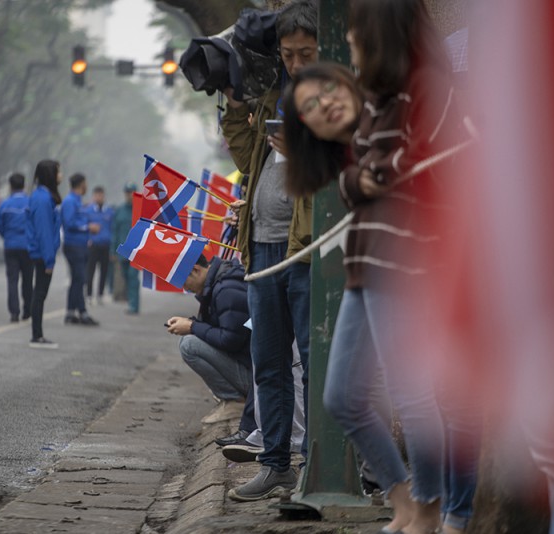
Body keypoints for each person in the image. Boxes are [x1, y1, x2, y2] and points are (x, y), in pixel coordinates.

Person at [282, 1, 469, 532]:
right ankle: (406, 495)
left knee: (411, 394)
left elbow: (427, 166)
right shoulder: (379, 103)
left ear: (383, 34)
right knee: (341, 395)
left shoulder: (426, 89)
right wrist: (361, 181)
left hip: (404, 262)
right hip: (365, 265)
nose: (353, 48)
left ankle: (430, 507)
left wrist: (378, 176)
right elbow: (353, 180)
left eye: (358, 36)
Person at [220, 0, 317, 502]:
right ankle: (275, 463)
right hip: (260, 248)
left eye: (305, 54)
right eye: (288, 54)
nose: (297, 64)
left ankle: (314, 467)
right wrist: (236, 106)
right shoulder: (273, 93)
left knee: (311, 359)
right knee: (270, 362)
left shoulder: (331, 96)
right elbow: (245, 155)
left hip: (302, 250)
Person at [166, 255, 256, 435]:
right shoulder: (219, 283)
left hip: (253, 377)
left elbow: (230, 340)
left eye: (184, 282)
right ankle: (232, 400)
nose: (185, 288)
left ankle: (235, 401)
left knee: (189, 345)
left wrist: (192, 326)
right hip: (248, 365)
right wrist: (190, 323)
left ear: (196, 270)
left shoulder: (226, 289)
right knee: (189, 339)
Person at [26, 159, 62, 349]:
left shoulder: (44, 196)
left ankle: (38, 334)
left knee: (39, 294)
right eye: (58, 171)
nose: (60, 175)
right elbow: (44, 232)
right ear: (50, 174)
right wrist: (49, 260)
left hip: (42, 253)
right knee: (39, 294)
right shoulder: (42, 199)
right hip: (42, 254)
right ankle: (37, 335)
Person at [61, 173, 100, 326]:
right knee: (80, 278)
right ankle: (82, 312)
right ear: (82, 184)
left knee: (77, 279)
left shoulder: (78, 201)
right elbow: (69, 223)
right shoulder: (70, 201)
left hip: (82, 245)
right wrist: (88, 227)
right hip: (73, 245)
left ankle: (70, 312)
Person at [0, 172, 33, 323]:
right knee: (27, 279)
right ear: (24, 185)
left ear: (10, 186)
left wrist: (9, 237)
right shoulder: (31, 203)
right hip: (28, 246)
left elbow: (0, 226)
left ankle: (14, 312)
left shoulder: (4, 205)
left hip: (10, 246)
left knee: (12, 280)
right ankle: (27, 311)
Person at [111, 184, 139, 315]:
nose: (129, 195)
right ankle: (130, 301)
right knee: (126, 277)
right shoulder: (120, 210)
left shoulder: (140, 210)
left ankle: (134, 305)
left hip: (136, 251)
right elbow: (114, 231)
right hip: (123, 251)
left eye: (131, 192)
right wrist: (113, 251)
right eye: (127, 192)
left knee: (133, 277)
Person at [85, 185, 113, 305]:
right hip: (93, 245)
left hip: (106, 245)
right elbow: (84, 227)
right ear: (93, 196)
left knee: (104, 271)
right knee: (90, 270)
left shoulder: (110, 211)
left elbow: (113, 228)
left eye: (101, 195)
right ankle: (89, 294)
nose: (99, 197)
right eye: (97, 195)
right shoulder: (88, 211)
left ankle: (100, 294)